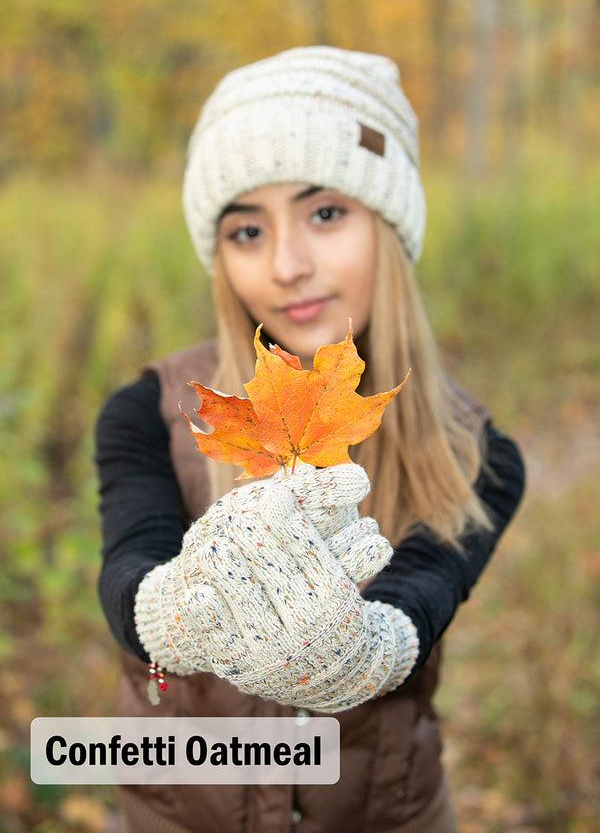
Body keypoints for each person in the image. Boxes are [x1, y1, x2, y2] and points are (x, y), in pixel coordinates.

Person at [94, 45, 526, 833]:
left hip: (386, 813)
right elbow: (129, 568)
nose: (288, 265)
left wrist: (379, 646)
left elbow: (422, 591)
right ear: (219, 257)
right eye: (247, 231)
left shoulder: (476, 453)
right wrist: (166, 613)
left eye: (325, 213)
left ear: (387, 226)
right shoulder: (151, 410)